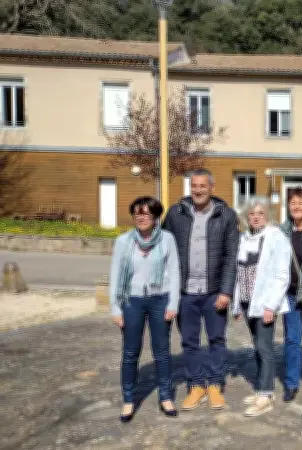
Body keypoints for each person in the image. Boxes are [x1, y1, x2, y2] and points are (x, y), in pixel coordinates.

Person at [162, 168, 239, 411]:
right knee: (189, 341)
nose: (197, 190)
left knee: (217, 339)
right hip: (185, 292)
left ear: (212, 188)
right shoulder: (176, 213)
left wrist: (226, 291)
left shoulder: (226, 215)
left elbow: (231, 256)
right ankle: (196, 385)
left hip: (214, 291)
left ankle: (215, 384)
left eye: (202, 186)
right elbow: (165, 250)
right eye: (194, 186)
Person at [109, 196, 181, 422]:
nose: (141, 218)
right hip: (131, 300)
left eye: (147, 213)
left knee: (162, 352)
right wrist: (115, 308)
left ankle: (166, 396)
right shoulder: (123, 241)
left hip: (161, 299)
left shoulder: (167, 239)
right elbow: (115, 275)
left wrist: (173, 303)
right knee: (130, 353)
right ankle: (129, 400)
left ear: (156, 216)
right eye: (137, 213)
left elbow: (175, 271)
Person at [231, 197, 292, 417]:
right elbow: (238, 272)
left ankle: (266, 393)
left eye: (260, 213)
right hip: (248, 302)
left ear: (268, 216)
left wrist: (271, 306)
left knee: (265, 347)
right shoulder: (243, 238)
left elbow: (281, 275)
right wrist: (237, 304)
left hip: (265, 302)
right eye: (252, 214)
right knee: (257, 345)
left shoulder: (276, 238)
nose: (256, 217)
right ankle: (262, 388)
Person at [279, 187, 302, 403]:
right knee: (292, 341)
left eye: (301, 202)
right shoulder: (282, 232)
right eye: (293, 202)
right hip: (290, 294)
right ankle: (292, 383)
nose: (297, 206)